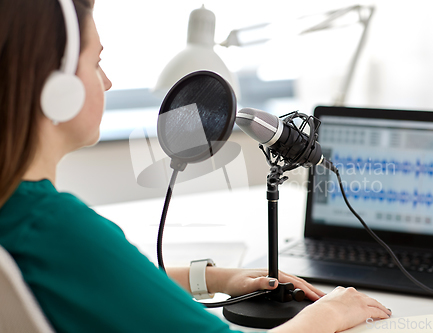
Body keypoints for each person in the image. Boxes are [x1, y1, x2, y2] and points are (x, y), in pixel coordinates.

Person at [0, 0, 392, 332]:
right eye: (96, 62)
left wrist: (218, 278)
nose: (107, 82)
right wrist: (327, 314)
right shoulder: (59, 228)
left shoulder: (19, 214)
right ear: (56, 88)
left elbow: (98, 279)